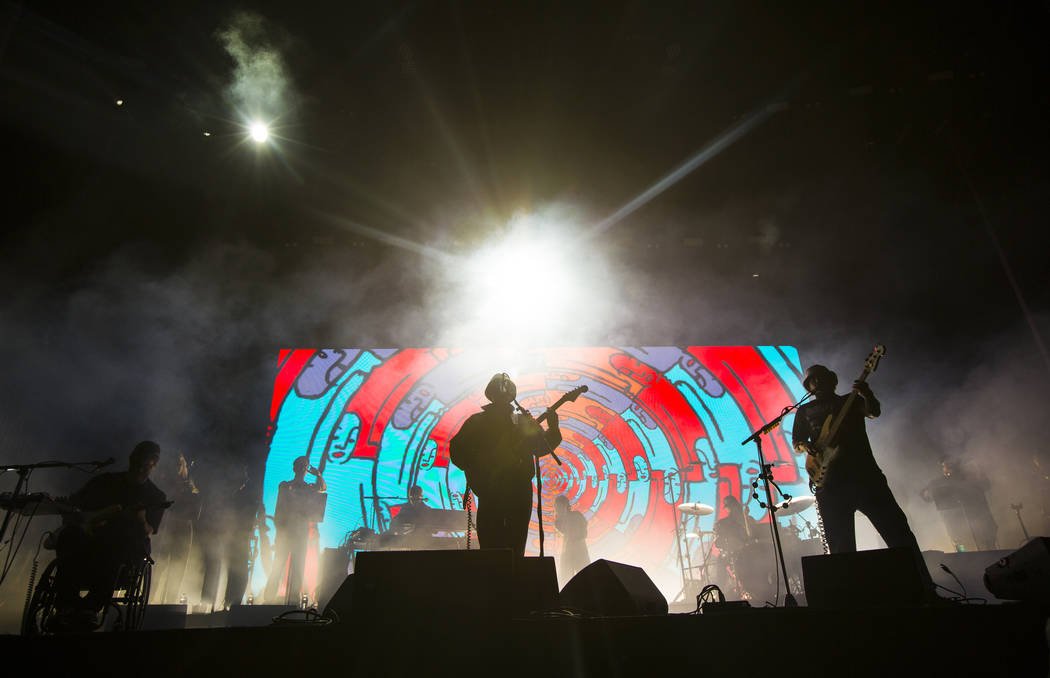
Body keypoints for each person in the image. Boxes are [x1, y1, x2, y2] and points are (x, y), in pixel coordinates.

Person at [791, 365, 931, 586]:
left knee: (899, 535)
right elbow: (797, 443)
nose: (816, 383)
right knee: (840, 547)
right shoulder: (805, 411)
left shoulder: (851, 400)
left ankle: (925, 588)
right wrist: (806, 446)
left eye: (820, 379)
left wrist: (867, 393)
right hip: (830, 484)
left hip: (865, 477)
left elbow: (874, 412)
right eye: (812, 381)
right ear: (808, 386)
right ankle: (849, 600)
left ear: (830, 381)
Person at [51, 440, 168, 631]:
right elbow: (77, 505)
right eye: (137, 460)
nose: (139, 466)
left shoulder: (155, 496)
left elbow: (150, 529)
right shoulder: (105, 481)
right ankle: (66, 605)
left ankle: (90, 607)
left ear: (154, 463)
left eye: (146, 462)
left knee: (117, 544)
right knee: (69, 536)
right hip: (90, 539)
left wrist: (141, 518)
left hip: (125, 547)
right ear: (131, 458)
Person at [449, 372, 561, 556]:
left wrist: (553, 428)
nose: (502, 396)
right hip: (496, 491)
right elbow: (458, 451)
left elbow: (540, 447)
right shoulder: (478, 422)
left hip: (511, 491)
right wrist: (477, 472)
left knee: (506, 545)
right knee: (503, 546)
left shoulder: (521, 421)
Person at [263, 456, 326, 605]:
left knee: (298, 566)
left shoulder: (308, 487)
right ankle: (269, 597)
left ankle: (293, 599)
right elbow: (280, 508)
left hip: (301, 532)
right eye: (301, 466)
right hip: (286, 532)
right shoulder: (285, 485)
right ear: (295, 468)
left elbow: (322, 488)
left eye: (305, 466)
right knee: (279, 564)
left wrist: (318, 475)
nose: (303, 469)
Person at [921, 457, 998, 551]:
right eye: (946, 464)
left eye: (951, 463)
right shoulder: (938, 482)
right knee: (964, 552)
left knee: (990, 549)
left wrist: (979, 471)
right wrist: (928, 493)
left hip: (982, 522)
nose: (949, 466)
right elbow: (925, 495)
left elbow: (986, 485)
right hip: (957, 528)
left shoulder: (970, 476)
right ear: (942, 468)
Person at [553, 495, 590, 582]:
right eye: (556, 506)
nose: (557, 509)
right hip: (568, 552)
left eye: (559, 506)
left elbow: (583, 531)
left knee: (586, 578)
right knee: (565, 579)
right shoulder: (558, 521)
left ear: (565, 505)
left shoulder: (576, 515)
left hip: (579, 551)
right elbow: (563, 528)